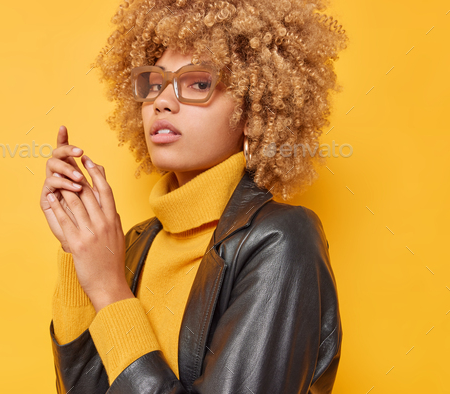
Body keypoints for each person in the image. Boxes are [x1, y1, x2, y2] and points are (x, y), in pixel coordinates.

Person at [40, 0, 348, 392]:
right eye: (154, 84)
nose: (162, 102)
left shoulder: (282, 240)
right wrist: (78, 251)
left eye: (198, 83)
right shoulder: (135, 244)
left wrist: (109, 289)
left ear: (254, 112)